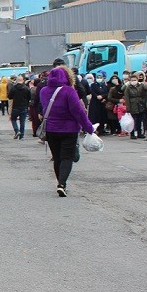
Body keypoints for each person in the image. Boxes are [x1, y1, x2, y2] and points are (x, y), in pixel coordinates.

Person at [39, 67, 94, 197]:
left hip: (51, 129)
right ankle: (62, 184)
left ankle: (60, 183)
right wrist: (89, 127)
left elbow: (44, 108)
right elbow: (78, 112)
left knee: (57, 158)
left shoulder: (43, 91)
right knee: (67, 157)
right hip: (69, 129)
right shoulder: (69, 91)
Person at [122, 71, 146, 139]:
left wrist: (143, 102)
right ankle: (132, 134)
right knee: (132, 121)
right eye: (132, 80)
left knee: (139, 120)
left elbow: (144, 95)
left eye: (135, 80)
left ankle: (139, 133)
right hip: (132, 105)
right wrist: (128, 108)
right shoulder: (128, 88)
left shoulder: (141, 86)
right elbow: (126, 98)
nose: (133, 81)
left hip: (140, 105)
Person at [7, 75, 32, 139]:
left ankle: (17, 130)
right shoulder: (26, 88)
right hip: (24, 107)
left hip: (15, 106)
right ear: (23, 80)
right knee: (22, 121)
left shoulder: (14, 88)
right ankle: (22, 135)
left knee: (13, 119)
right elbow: (30, 97)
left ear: (17, 81)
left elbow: (9, 96)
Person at [88, 71, 110, 136]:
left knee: (102, 117)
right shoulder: (93, 85)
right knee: (94, 117)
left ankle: (101, 130)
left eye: (100, 77)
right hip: (95, 103)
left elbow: (107, 93)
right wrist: (97, 96)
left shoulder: (105, 85)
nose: (99, 78)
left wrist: (103, 97)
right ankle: (94, 130)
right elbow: (92, 92)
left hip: (102, 103)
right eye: (98, 77)